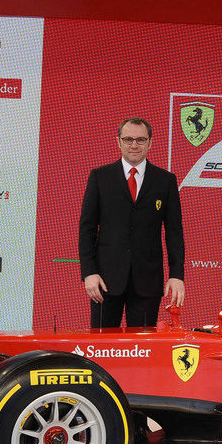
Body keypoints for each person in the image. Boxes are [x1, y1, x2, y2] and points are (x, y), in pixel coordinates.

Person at [78, 117, 186, 328]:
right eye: (128, 139)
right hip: (104, 282)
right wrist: (89, 273)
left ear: (150, 143)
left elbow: (174, 232)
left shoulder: (166, 180)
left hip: (147, 282)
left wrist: (176, 275)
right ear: (118, 141)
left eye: (140, 140)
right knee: (102, 348)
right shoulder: (100, 177)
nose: (134, 145)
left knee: (143, 350)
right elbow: (87, 228)